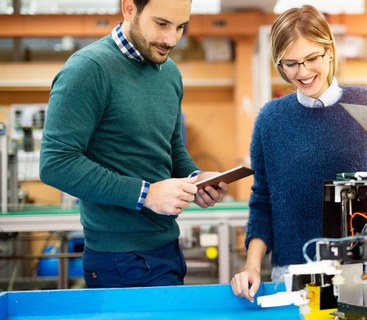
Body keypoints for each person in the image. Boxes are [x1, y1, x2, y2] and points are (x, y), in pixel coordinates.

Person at [39, 0, 228, 288]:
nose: (171, 39)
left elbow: (171, 144)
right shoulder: (88, 69)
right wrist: (147, 194)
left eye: (180, 27)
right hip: (118, 259)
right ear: (129, 9)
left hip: (167, 247)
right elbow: (56, 163)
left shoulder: (170, 73)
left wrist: (197, 178)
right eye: (162, 24)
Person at [230, 5, 367, 302]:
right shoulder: (270, 120)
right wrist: (252, 267)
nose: (304, 72)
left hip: (364, 275)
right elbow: (262, 203)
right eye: (291, 63)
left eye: (311, 59)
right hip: (293, 278)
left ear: (329, 50)